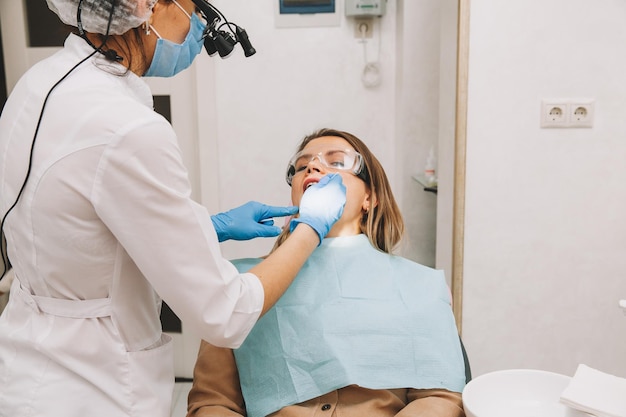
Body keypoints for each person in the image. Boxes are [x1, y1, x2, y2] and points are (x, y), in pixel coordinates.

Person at [0, 1, 346, 416]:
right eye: (195, 6)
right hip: (92, 387)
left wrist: (206, 227)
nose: (202, 23)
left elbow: (77, 224)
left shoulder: (38, 85)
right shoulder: (128, 129)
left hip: (27, 364)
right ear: (150, 6)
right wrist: (310, 226)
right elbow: (225, 312)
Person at [187, 128, 467, 417]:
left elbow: (440, 398)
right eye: (301, 165)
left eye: (337, 161)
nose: (313, 166)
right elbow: (213, 404)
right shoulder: (240, 286)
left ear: (369, 198)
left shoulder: (418, 285)